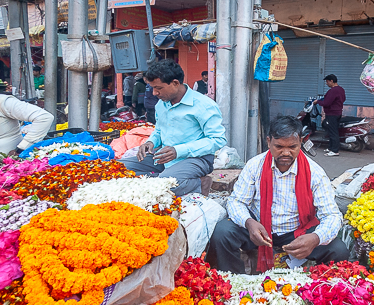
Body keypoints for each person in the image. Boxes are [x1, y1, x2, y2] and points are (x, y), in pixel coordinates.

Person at [207, 115, 348, 273]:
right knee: (222, 232)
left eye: (292, 147)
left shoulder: (315, 173)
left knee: (338, 250)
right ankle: (235, 282)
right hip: (259, 230)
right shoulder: (255, 166)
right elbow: (236, 202)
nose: (286, 153)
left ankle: (317, 290)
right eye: (279, 147)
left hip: (297, 232)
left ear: (301, 142)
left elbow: (332, 215)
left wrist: (315, 238)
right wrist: (249, 222)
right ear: (269, 142)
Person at [119, 60, 226, 196]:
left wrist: (179, 150)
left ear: (175, 83)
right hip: (164, 156)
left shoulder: (204, 105)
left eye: (158, 88)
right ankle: (162, 178)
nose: (154, 93)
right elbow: (159, 130)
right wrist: (151, 142)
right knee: (119, 168)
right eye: (152, 88)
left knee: (165, 185)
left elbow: (217, 139)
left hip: (196, 158)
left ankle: (200, 183)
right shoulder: (161, 104)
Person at [313, 74, 346, 157]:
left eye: (327, 82)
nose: (326, 84)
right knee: (332, 130)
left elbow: (326, 103)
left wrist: (317, 102)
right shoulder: (341, 89)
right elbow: (343, 99)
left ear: (331, 81)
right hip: (338, 113)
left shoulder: (333, 91)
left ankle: (335, 150)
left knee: (333, 132)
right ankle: (331, 148)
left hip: (332, 114)